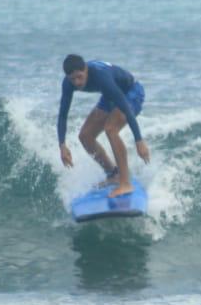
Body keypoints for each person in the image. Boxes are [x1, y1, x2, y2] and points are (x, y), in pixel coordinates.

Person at [57, 54, 151, 197]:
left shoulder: (101, 76)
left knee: (111, 129)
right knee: (85, 136)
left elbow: (125, 108)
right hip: (109, 95)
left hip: (131, 93)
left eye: (80, 77)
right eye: (73, 79)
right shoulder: (68, 84)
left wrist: (139, 140)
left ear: (86, 69)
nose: (77, 82)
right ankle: (113, 174)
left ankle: (125, 183)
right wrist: (62, 145)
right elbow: (63, 115)